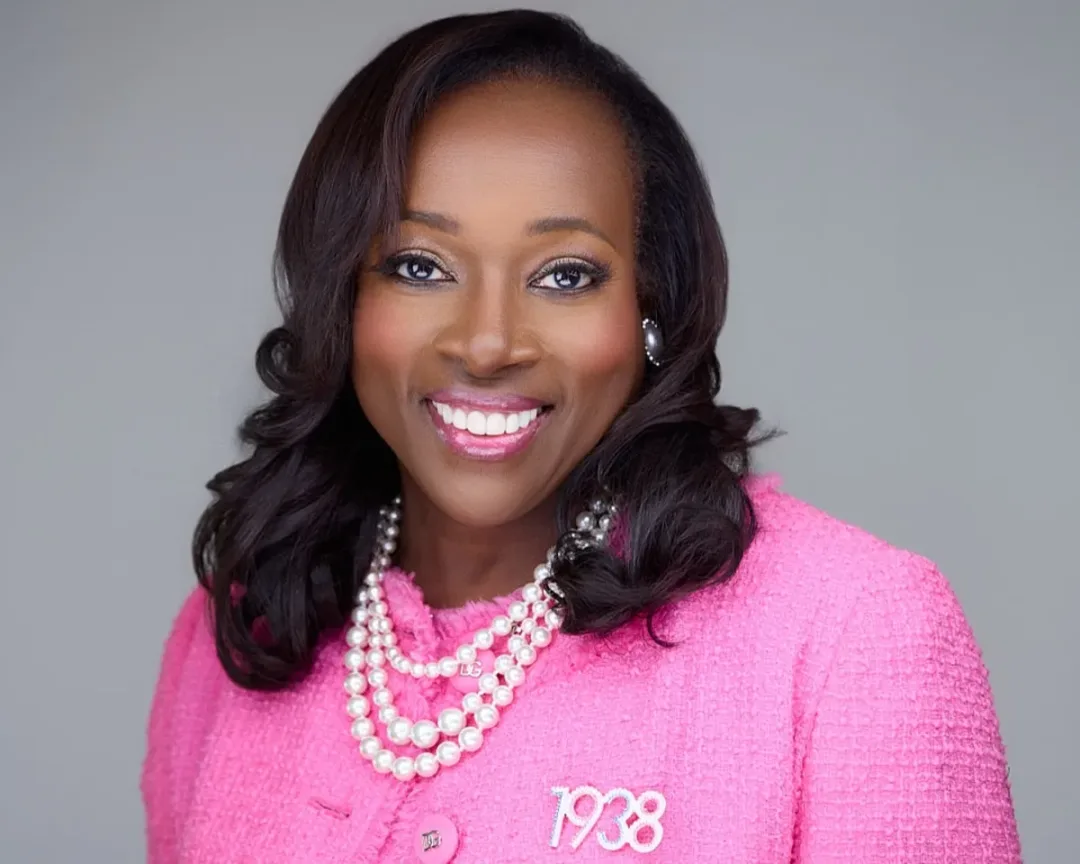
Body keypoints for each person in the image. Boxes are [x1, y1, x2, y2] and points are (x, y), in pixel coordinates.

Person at [141, 10, 1021, 863]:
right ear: (342, 300)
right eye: (419, 266)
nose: (488, 343)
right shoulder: (240, 631)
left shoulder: (850, 633)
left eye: (564, 275)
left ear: (649, 309)